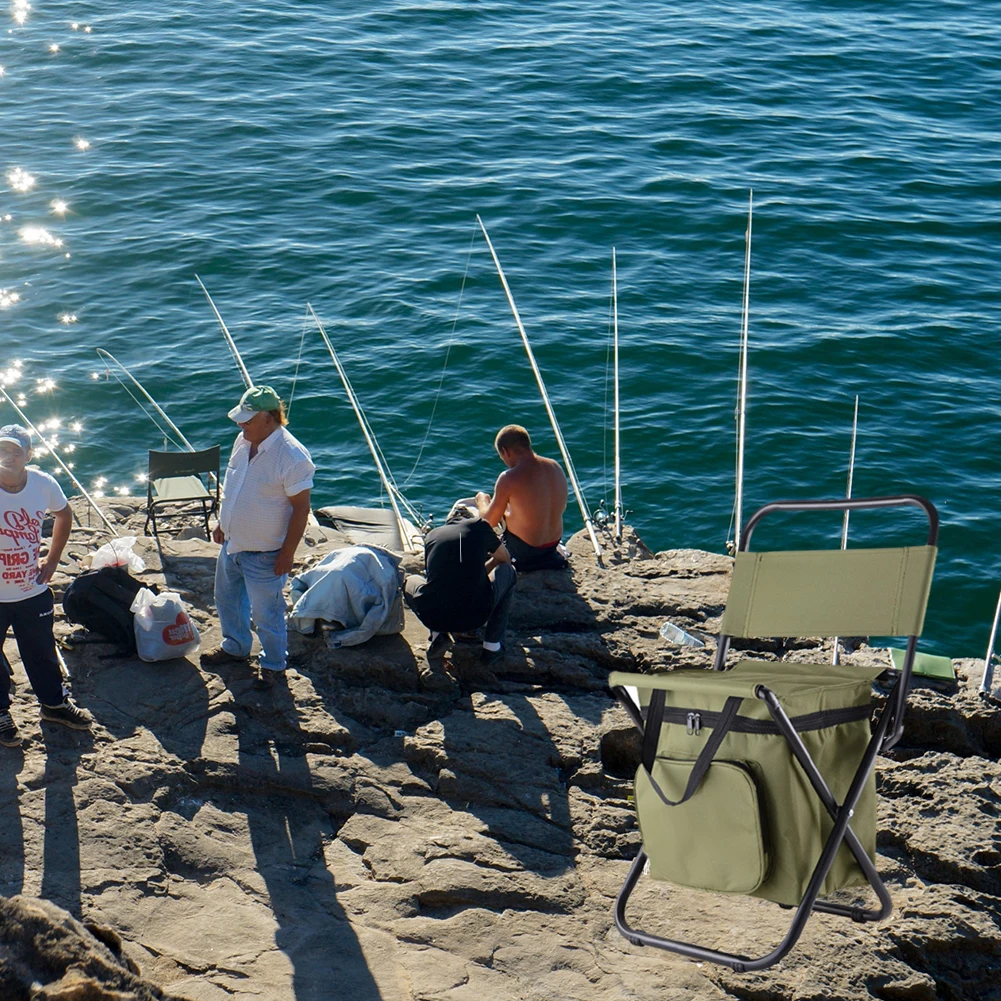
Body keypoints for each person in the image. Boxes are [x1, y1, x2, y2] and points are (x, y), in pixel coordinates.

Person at [200, 386, 315, 690]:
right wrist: (224, 523)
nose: (241, 424)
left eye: (247, 420)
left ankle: (274, 665)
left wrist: (287, 554)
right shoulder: (244, 440)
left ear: (270, 419)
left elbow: (301, 509)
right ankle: (235, 647)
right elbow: (234, 484)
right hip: (232, 544)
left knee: (267, 613)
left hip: (266, 553)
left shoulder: (292, 456)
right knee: (226, 599)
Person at [0, 424, 92, 748]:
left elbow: (64, 515)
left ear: (28, 455)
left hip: (32, 590)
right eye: (2, 450)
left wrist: (52, 560)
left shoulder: (42, 483)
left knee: (41, 651)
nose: (8, 457)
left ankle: (54, 704)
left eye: (15, 451)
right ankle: (0, 713)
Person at [404, 501, 516, 664]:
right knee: (508, 571)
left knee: (410, 581)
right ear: (472, 517)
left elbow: (434, 578)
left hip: (434, 617)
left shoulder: (432, 535)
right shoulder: (480, 525)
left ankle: (438, 635)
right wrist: (487, 565)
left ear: (450, 520)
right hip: (476, 617)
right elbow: (505, 559)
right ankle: (492, 646)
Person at [475, 424, 569, 572]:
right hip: (551, 546)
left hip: (525, 552)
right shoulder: (555, 466)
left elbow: (488, 522)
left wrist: (482, 500)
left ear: (505, 451)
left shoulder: (509, 478)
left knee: (475, 532)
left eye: (502, 457)